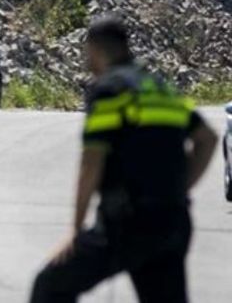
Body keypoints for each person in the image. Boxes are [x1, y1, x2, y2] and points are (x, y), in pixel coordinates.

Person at [30, 17, 218, 303]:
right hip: (173, 221)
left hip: (129, 222)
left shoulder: (109, 90)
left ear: (94, 50)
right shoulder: (157, 86)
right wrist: (178, 188)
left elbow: (91, 161)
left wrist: (75, 230)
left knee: (51, 286)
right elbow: (207, 138)